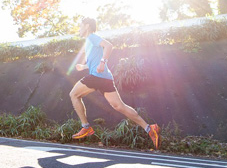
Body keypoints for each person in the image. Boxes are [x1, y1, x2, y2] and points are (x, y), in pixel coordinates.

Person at [69, 17, 161, 149]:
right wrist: (84, 67)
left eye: (80, 25)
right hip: (105, 77)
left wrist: (103, 62)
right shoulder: (89, 42)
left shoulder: (92, 37)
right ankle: (149, 128)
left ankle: (86, 127)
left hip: (97, 77)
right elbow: (95, 62)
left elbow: (109, 46)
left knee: (74, 95)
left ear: (87, 26)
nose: (79, 28)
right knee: (119, 106)